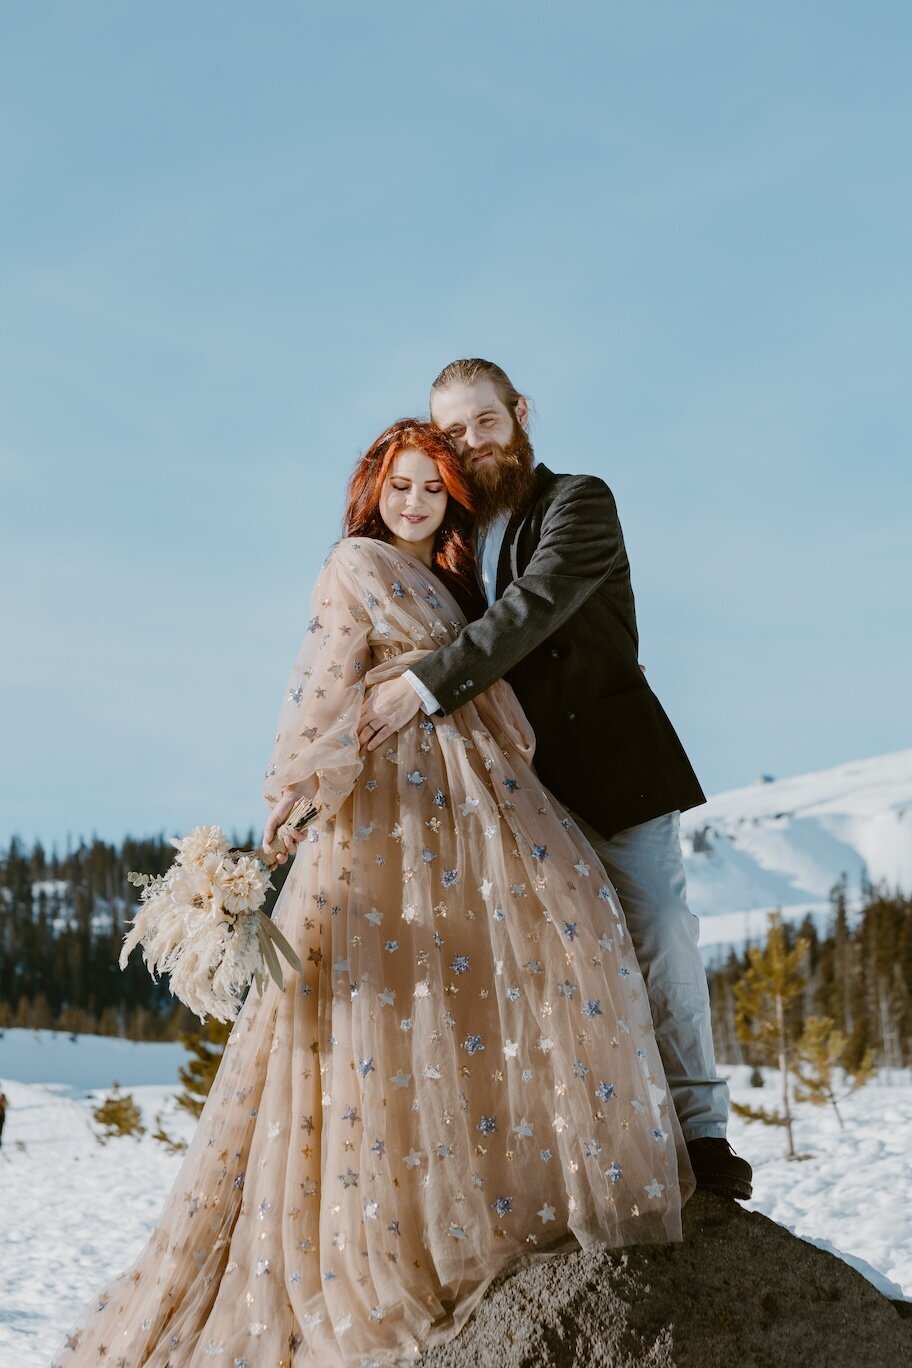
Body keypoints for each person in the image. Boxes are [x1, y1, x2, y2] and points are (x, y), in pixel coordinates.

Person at [55, 419, 692, 1368]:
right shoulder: (353, 563)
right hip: (393, 804)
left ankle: (524, 1193)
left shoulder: (459, 574)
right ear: (372, 488)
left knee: (536, 962)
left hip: (483, 798)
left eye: (431, 487)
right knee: (388, 1020)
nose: (413, 501)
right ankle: (395, 1238)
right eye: (399, 484)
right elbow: (320, 685)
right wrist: (293, 794)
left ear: (451, 499)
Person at [358, 360, 753, 1202]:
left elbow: (536, 605)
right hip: (517, 791)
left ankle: (702, 1136)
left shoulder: (579, 500)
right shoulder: (456, 544)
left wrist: (422, 689)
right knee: (551, 964)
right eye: (454, 433)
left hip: (614, 769)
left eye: (484, 423)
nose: (471, 443)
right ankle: (597, 1141)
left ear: (519, 413)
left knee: (660, 934)